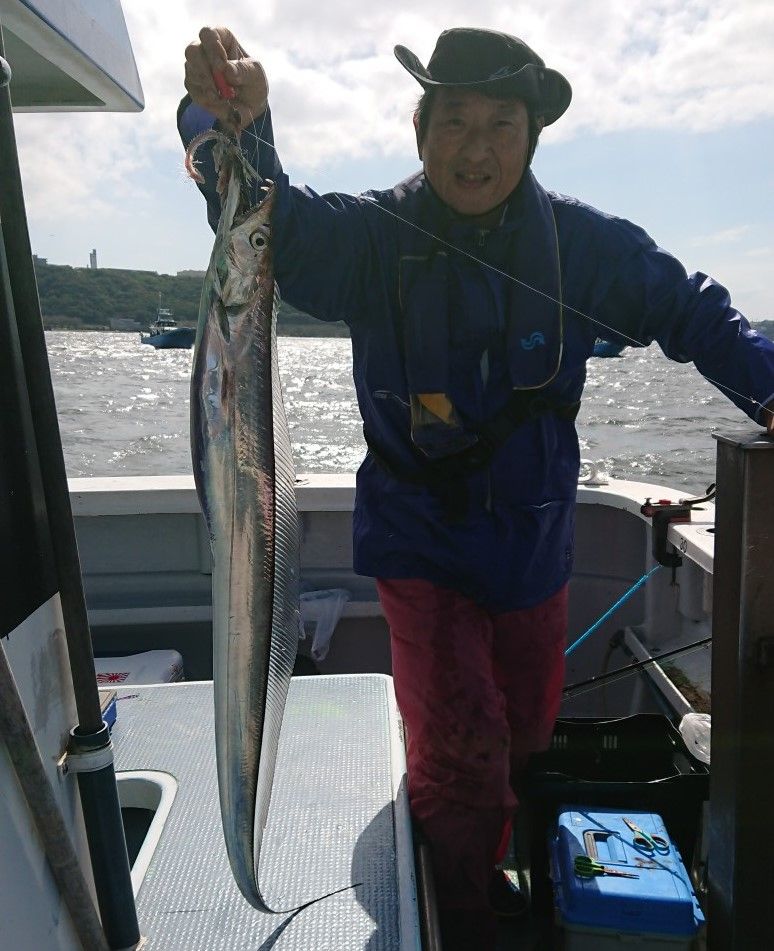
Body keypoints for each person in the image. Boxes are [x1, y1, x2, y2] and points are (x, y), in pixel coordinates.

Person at [181, 26, 774, 950]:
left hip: (535, 548)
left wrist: (769, 388)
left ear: (532, 138)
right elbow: (269, 221)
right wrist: (234, 121)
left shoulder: (582, 243)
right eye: (455, 119)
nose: (478, 146)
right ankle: (463, 918)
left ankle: (493, 856)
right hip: (419, 544)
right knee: (463, 756)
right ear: (420, 129)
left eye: (502, 122)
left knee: (527, 735)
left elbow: (692, 308)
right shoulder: (371, 237)